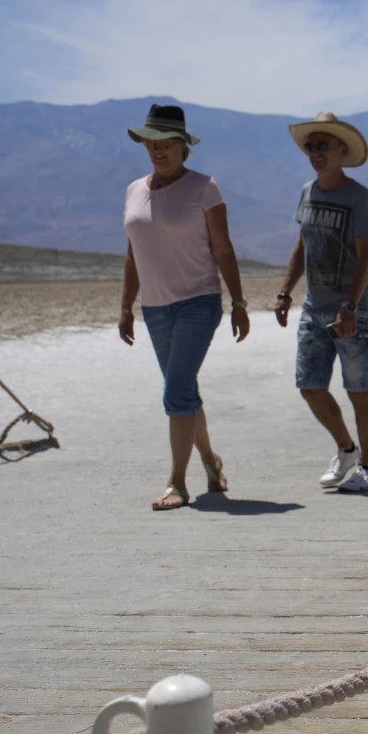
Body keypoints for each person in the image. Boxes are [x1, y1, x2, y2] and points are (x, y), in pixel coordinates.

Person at [118, 103, 251, 510]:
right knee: (185, 392)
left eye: (167, 143)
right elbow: (132, 253)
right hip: (155, 307)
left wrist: (239, 301)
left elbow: (223, 248)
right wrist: (126, 305)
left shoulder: (204, 187)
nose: (158, 150)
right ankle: (211, 462)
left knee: (175, 391)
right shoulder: (134, 190)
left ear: (182, 146)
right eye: (151, 143)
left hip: (198, 300)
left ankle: (177, 483)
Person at [274, 112, 368, 492]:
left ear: (341, 149)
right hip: (314, 308)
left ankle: (367, 467)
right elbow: (303, 243)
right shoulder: (308, 192)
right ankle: (346, 449)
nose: (315, 153)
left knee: (358, 390)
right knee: (310, 386)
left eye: (323, 146)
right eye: (310, 147)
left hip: (352, 311)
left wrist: (350, 305)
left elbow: (365, 255)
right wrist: (286, 291)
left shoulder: (359, 198)